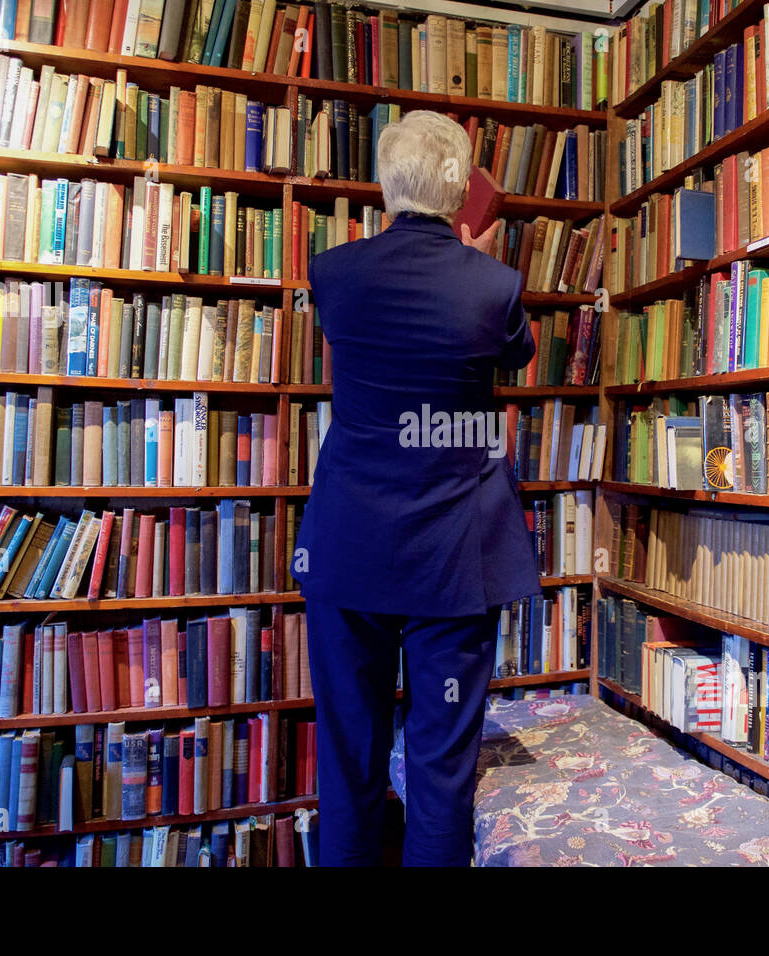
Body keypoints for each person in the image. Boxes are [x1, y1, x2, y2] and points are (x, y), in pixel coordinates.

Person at [293, 110, 542, 866]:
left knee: (348, 763)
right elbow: (518, 352)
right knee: (441, 774)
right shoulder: (495, 287)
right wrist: (473, 260)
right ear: (463, 188)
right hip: (451, 560)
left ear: (382, 186)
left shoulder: (333, 273)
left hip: (349, 550)